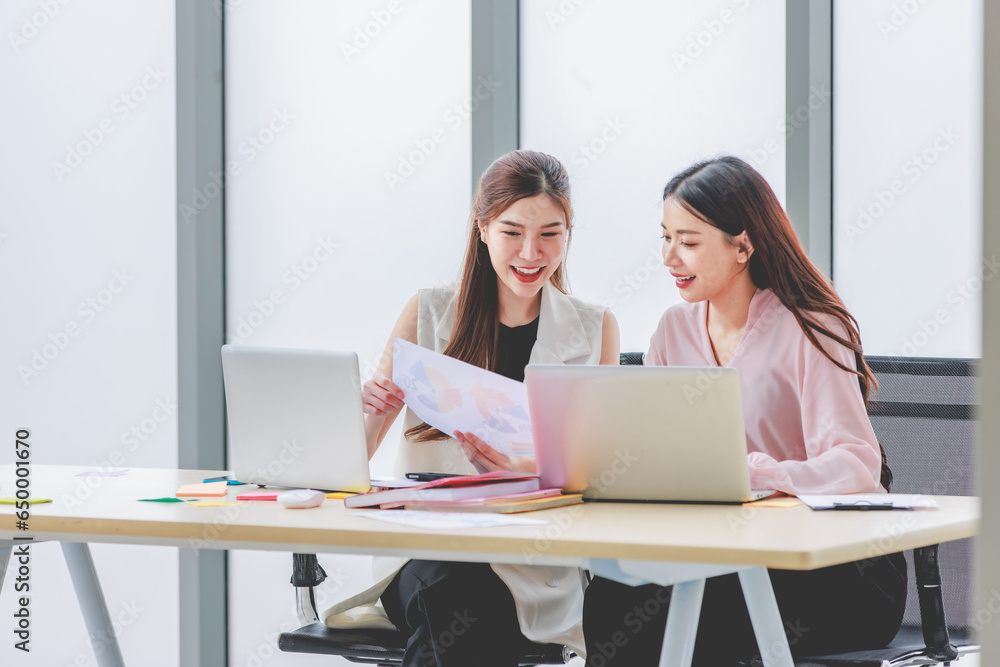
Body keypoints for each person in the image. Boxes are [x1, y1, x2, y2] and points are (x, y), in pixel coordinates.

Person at [582, 156, 906, 666]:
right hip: (721, 551)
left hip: (832, 566)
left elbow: (855, 466)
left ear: (743, 245)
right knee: (615, 599)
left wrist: (750, 472)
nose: (669, 257)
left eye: (688, 242)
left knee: (691, 607)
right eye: (665, 237)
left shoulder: (812, 328)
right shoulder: (674, 330)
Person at [322, 149, 620, 666]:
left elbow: (602, 473)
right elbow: (354, 458)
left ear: (568, 234)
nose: (532, 253)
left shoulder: (594, 328)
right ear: (482, 229)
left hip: (534, 562)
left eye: (551, 233)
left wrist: (526, 468)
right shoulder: (430, 312)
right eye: (512, 232)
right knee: (456, 588)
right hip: (430, 548)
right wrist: (365, 409)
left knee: (463, 609)